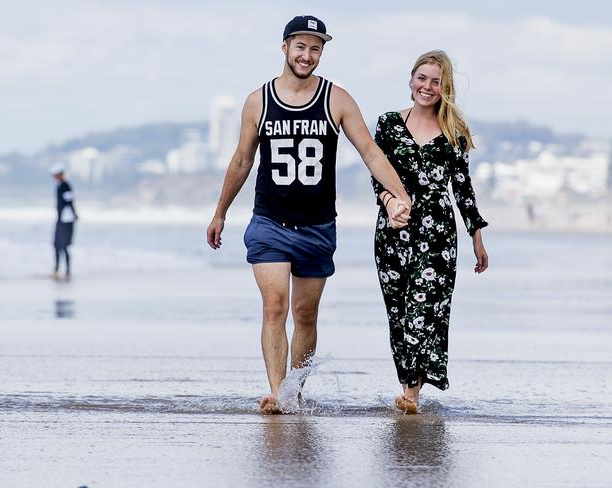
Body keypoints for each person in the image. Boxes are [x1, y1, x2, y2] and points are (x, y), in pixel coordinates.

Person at [206, 15, 412, 414]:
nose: (307, 55)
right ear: (284, 48)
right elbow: (243, 159)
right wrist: (220, 212)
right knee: (274, 307)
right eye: (300, 46)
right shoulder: (258, 101)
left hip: (318, 225)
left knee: (305, 314)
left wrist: (400, 194)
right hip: (269, 221)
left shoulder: (336, 99)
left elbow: (369, 151)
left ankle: (296, 390)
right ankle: (279, 393)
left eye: (315, 48)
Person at [371, 50, 489, 414]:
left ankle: (411, 395)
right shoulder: (388, 124)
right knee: (399, 314)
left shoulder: (454, 131)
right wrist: (390, 202)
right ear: (411, 80)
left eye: (435, 81)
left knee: (426, 310)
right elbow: (377, 175)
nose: (427, 86)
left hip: (437, 235)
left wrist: (477, 237)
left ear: (444, 87)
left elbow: (462, 188)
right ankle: (408, 387)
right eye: (422, 78)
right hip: (392, 231)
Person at [50, 162, 78, 280]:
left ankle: (67, 271)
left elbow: (70, 202)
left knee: (64, 246)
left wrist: (74, 215)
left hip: (66, 220)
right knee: (56, 245)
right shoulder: (59, 186)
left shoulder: (66, 186)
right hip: (61, 219)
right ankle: (57, 269)